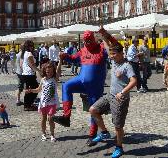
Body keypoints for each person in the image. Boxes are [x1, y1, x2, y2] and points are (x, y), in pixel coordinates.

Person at [52, 29, 114, 145]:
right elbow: (73, 59)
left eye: (89, 40)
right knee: (66, 86)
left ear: (94, 39)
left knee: (93, 110)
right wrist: (64, 56)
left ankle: (92, 135)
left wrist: (106, 37)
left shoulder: (101, 48)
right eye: (85, 41)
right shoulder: (83, 50)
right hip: (81, 81)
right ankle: (66, 116)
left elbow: (111, 50)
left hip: (95, 87)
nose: (87, 43)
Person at [88, 27, 137, 158]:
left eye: (114, 54)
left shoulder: (127, 65)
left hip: (120, 98)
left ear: (121, 53)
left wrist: (123, 92)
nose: (111, 56)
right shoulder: (114, 61)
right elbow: (106, 45)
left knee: (118, 126)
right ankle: (104, 132)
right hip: (110, 96)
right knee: (93, 109)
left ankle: (119, 147)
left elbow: (134, 81)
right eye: (111, 54)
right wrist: (103, 35)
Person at [26, 58, 62, 142]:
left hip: (52, 103)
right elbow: (38, 90)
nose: (49, 73)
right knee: (43, 119)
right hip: (43, 103)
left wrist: (60, 61)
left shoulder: (55, 79)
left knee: (50, 119)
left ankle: (52, 135)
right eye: (47, 71)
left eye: (51, 71)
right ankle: (43, 134)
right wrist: (31, 90)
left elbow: (59, 71)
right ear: (45, 71)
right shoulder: (43, 80)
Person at [21, 40, 41, 111]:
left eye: (33, 46)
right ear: (28, 46)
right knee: (35, 89)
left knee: (29, 90)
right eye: (31, 46)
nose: (32, 47)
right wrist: (39, 71)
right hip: (29, 74)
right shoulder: (29, 54)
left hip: (26, 74)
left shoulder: (24, 53)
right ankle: (28, 105)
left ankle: (27, 105)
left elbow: (22, 64)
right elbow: (32, 65)